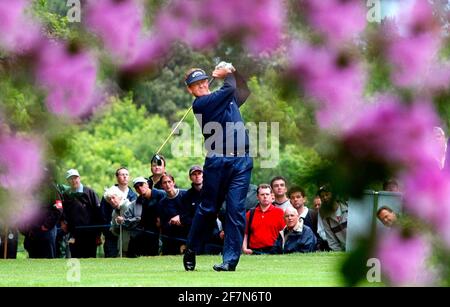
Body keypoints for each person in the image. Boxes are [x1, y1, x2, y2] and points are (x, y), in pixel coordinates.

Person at [183, 62, 253, 272]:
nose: (202, 85)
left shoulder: (225, 97)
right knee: (208, 209)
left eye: (204, 80)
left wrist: (234, 71)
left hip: (242, 161)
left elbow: (243, 90)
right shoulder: (202, 105)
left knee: (235, 210)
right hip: (217, 162)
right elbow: (230, 88)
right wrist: (227, 73)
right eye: (196, 84)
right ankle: (191, 248)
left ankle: (229, 260)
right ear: (190, 90)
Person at [61, 169, 102, 258]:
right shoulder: (66, 195)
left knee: (90, 259)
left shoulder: (89, 192)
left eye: (75, 178)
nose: (73, 180)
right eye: (71, 179)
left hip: (90, 234)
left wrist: (98, 234)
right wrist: (62, 221)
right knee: (76, 259)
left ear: (79, 178)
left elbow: (98, 213)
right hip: (73, 234)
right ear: (68, 181)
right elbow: (62, 212)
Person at [100, 167, 137, 257]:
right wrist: (107, 231)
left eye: (126, 174)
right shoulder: (109, 194)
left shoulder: (134, 195)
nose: (124, 176)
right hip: (111, 235)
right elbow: (103, 215)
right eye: (122, 174)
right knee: (111, 258)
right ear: (117, 177)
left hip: (128, 235)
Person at [242, 184, 285, 255]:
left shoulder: (279, 212)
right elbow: (245, 233)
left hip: (273, 251)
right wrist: (244, 248)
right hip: (253, 252)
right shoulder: (250, 213)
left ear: (271, 196)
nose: (265, 197)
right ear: (257, 197)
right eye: (262, 194)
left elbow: (284, 233)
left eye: (267, 194)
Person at [158, 173, 188, 255]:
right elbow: (163, 224)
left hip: (188, 233)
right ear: (161, 185)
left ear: (173, 183)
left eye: (169, 182)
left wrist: (181, 218)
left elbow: (193, 212)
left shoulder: (186, 195)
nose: (167, 185)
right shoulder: (162, 203)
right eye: (164, 183)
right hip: (173, 236)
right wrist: (171, 222)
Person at [104, 185, 134, 256]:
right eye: (109, 199)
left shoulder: (129, 206)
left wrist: (124, 221)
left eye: (113, 197)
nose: (111, 200)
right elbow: (115, 232)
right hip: (122, 245)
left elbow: (136, 224)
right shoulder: (114, 212)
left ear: (120, 197)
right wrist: (114, 226)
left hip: (132, 245)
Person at [318, 185, 348, 252]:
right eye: (322, 196)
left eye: (327, 194)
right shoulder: (326, 219)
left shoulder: (349, 208)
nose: (325, 198)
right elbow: (332, 242)